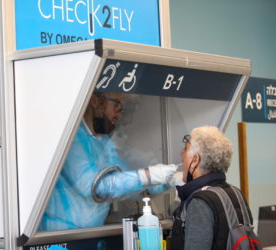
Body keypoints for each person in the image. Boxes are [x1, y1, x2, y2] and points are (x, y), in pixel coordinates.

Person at [38, 92, 178, 231]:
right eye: (117, 105)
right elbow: (94, 186)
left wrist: (163, 183)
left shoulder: (104, 142)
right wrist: (148, 176)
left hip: (90, 233)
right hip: (60, 236)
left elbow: (123, 183)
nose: (120, 114)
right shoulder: (72, 138)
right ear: (95, 101)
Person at [170, 126, 254, 250]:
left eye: (185, 149)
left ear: (195, 160)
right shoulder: (236, 193)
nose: (181, 153)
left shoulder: (200, 202)